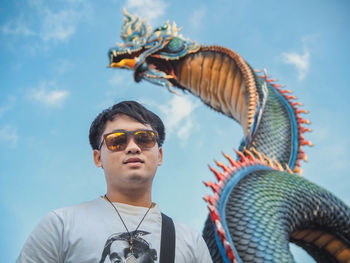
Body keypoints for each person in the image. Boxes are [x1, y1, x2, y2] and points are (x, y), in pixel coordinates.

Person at [16, 100, 213, 263]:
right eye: (117, 141)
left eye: (144, 139)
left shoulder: (189, 241)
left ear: (159, 155)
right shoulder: (61, 226)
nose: (133, 147)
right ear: (98, 158)